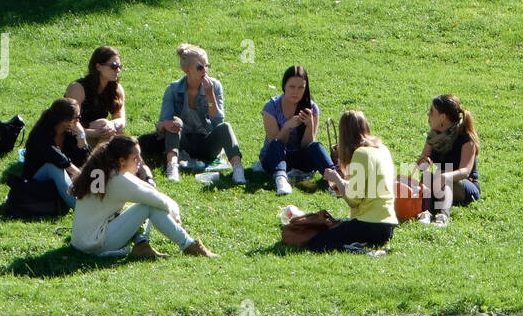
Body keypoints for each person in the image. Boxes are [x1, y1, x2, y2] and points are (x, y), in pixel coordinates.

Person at [70, 135, 216, 259]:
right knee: (147, 206)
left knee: (136, 205)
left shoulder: (105, 170)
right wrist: (175, 215)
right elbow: (155, 199)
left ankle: (142, 245)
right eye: (135, 157)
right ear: (121, 161)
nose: (140, 161)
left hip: (82, 241)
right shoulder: (118, 180)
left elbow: (147, 189)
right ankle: (189, 245)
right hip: (94, 245)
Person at [309, 110, 398, 252]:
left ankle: (355, 250)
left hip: (369, 224)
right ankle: (358, 244)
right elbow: (367, 189)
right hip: (387, 226)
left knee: (317, 241)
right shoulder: (382, 149)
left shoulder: (360, 153)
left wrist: (336, 179)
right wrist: (343, 184)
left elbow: (353, 200)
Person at [157, 43, 245, 184]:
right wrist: (166, 124)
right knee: (175, 123)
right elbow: (161, 125)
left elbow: (218, 122)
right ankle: (172, 166)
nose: (205, 71)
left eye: (207, 66)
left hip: (206, 142)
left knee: (226, 127)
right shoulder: (173, 89)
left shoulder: (214, 86)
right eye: (200, 67)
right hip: (183, 142)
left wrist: (210, 95)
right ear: (187, 70)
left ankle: (238, 169)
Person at [260, 65, 335, 196]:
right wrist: (287, 126)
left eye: (301, 88)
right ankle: (281, 179)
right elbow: (274, 144)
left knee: (316, 146)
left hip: (299, 157)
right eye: (292, 87)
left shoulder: (311, 108)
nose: (296, 92)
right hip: (275, 158)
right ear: (284, 86)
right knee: (276, 144)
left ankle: (335, 180)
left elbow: (307, 145)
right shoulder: (271, 107)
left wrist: (310, 125)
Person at [411, 94, 480, 226]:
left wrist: (444, 176)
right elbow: (421, 166)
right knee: (426, 176)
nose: (428, 114)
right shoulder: (433, 136)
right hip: (440, 182)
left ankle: (443, 216)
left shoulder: (466, 139)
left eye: (432, 112)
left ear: (442, 117)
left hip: (465, 186)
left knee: (443, 178)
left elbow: (465, 171)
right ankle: (426, 213)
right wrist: (423, 162)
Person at [22, 97, 89, 210]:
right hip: (37, 178)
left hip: (63, 177)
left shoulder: (69, 133)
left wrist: (81, 136)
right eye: (77, 117)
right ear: (64, 120)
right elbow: (59, 160)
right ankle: (82, 208)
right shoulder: (41, 134)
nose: (78, 121)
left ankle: (96, 202)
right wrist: (82, 175)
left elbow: (85, 159)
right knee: (53, 167)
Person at [65, 46, 128, 149]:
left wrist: (110, 125)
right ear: (98, 66)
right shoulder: (78, 88)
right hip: (77, 136)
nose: (118, 70)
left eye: (119, 66)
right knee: (105, 129)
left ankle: (102, 161)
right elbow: (69, 126)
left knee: (111, 132)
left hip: (101, 133)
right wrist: (94, 131)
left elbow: (121, 120)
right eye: (114, 66)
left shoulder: (116, 89)